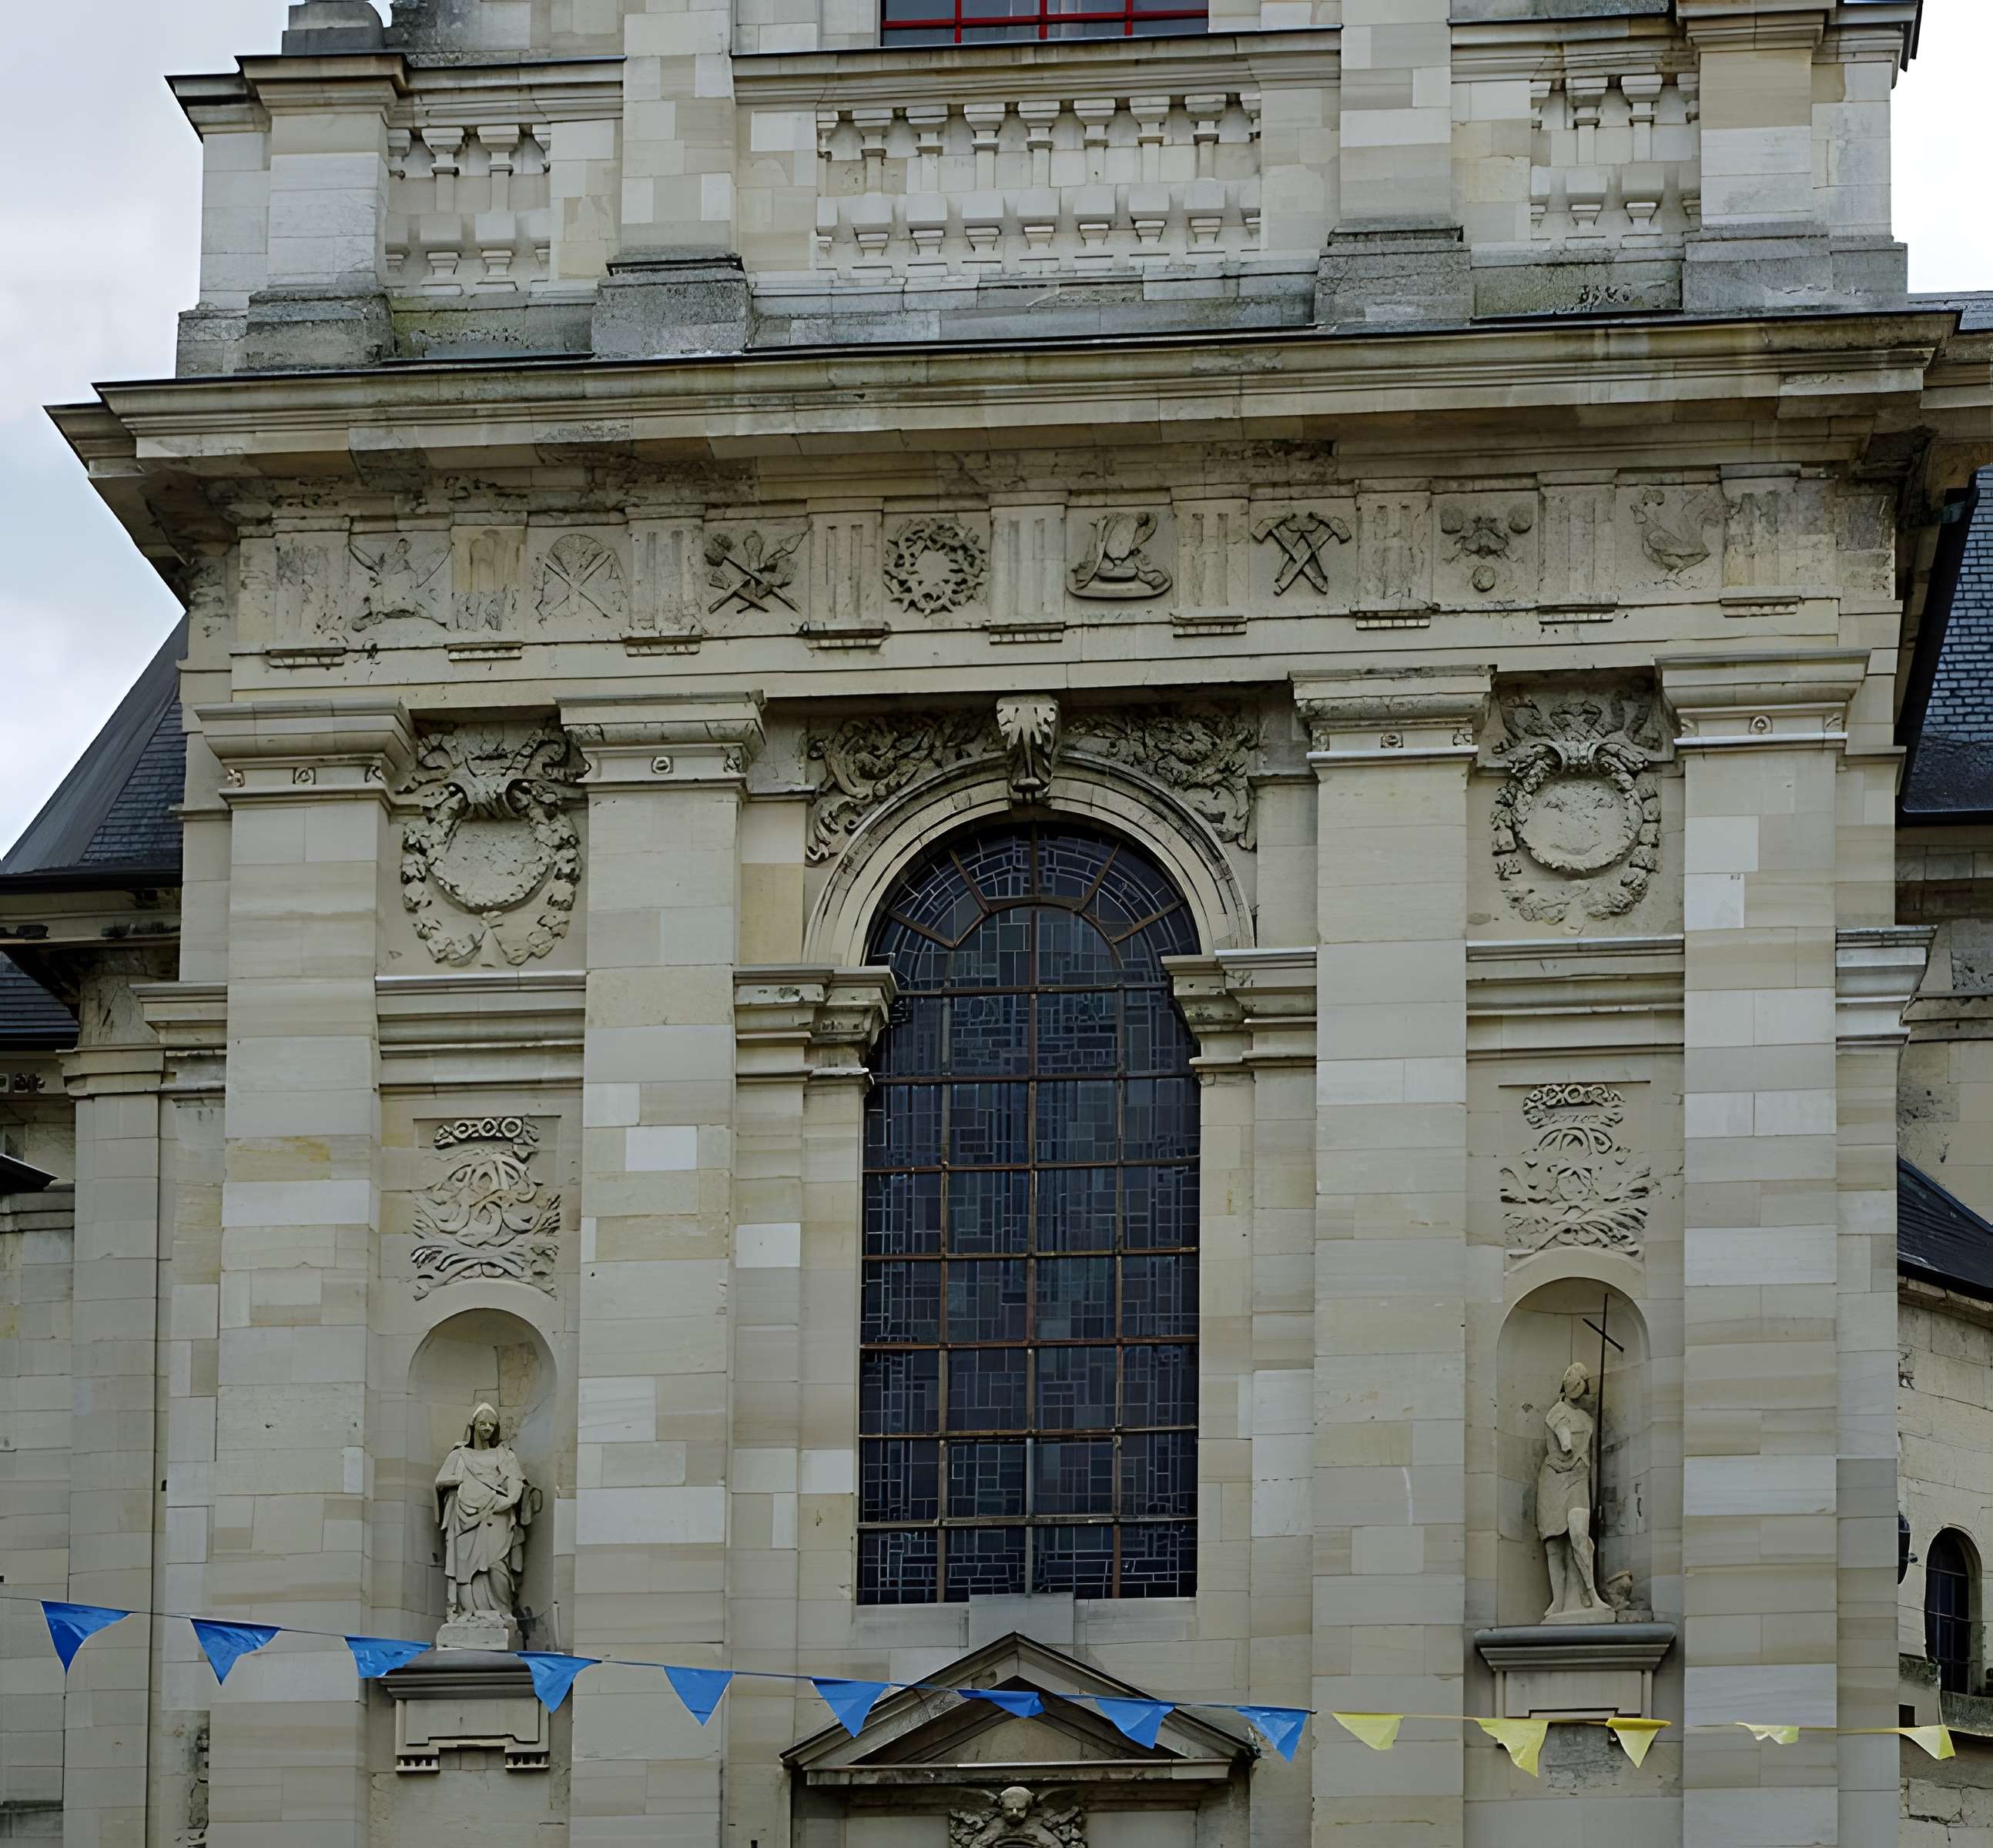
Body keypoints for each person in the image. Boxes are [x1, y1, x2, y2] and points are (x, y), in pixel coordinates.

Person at [435, 1403, 528, 1622]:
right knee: (464, 1566)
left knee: (497, 1564)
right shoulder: (459, 1455)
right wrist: (458, 1481)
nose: (487, 1428)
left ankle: (503, 1611)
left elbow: (516, 1483)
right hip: (464, 1516)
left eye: (491, 1425)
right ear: (473, 1426)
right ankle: (467, 1612)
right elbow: (440, 1481)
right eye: (483, 1423)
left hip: (496, 1514)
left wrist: (507, 1500)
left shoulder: (504, 1455)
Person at [1536, 1361, 1608, 1621]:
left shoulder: (1587, 1420)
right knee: (1554, 1543)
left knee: (1579, 1535)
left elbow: (1589, 1456)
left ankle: (1592, 1593)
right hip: (1553, 1480)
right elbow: (1563, 1435)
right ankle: (1558, 1600)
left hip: (1578, 1477)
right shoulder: (1555, 1413)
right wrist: (1565, 1438)